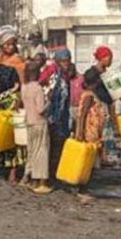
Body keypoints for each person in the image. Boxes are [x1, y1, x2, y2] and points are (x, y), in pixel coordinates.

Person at [21, 61, 52, 194]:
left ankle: (28, 177)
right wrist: (49, 101)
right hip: (39, 122)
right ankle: (41, 182)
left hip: (29, 121)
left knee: (32, 151)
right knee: (42, 152)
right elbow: (40, 109)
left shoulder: (24, 87)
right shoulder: (38, 88)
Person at [43, 49, 73, 182]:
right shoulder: (54, 76)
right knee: (53, 147)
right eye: (63, 61)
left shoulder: (65, 76)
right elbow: (49, 95)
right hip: (53, 118)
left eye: (68, 61)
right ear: (58, 62)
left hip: (62, 117)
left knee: (58, 147)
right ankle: (50, 174)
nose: (66, 64)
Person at [76, 67, 108, 145]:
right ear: (97, 82)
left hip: (93, 129)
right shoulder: (89, 96)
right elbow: (83, 114)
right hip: (90, 130)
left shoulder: (90, 94)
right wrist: (80, 132)